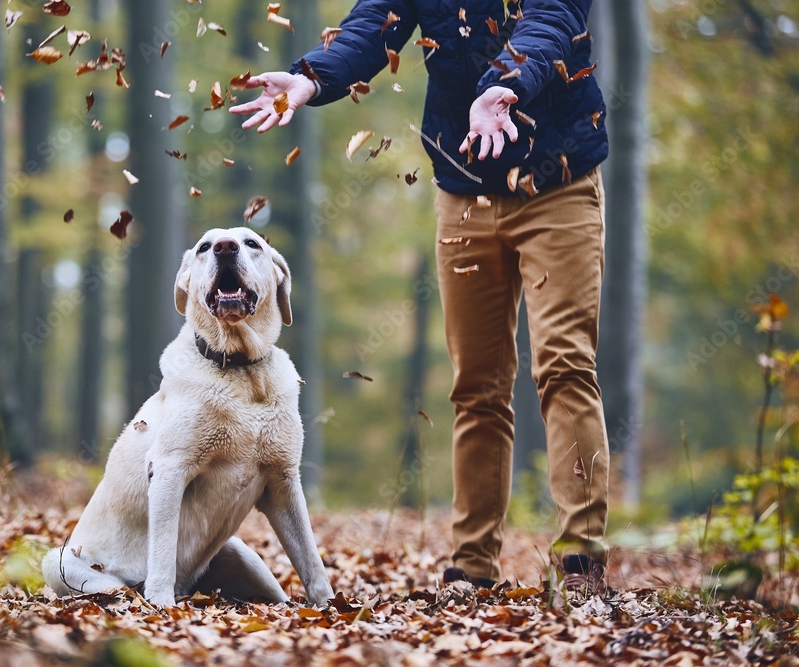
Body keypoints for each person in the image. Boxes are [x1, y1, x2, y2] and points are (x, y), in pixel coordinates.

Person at [230, 0, 610, 595]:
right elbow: (370, 26)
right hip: (463, 191)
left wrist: (500, 86)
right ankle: (472, 568)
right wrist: (312, 75)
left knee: (563, 364)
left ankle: (582, 564)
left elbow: (551, 21)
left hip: (556, 185)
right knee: (477, 384)